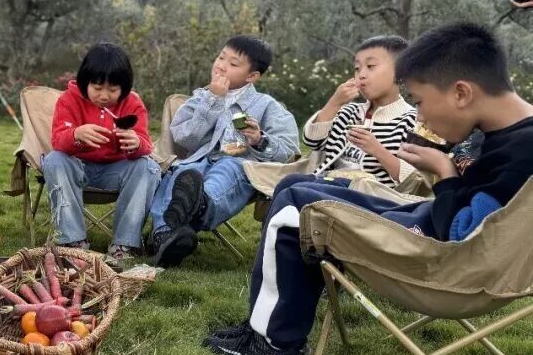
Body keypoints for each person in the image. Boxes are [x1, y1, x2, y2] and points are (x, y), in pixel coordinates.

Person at [205, 23, 533, 355]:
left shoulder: (520, 152)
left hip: (443, 260)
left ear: (462, 93)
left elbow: (463, 237)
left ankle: (273, 344)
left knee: (294, 208)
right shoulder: (506, 132)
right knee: (295, 184)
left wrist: (445, 173)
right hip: (428, 221)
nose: (420, 116)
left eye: (420, 102)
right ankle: (262, 324)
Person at [149, 35, 299, 267]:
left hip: (237, 164)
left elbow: (289, 149)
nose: (221, 65)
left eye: (233, 63)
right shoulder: (201, 98)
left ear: (252, 76)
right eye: (221, 57)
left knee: (229, 169)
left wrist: (259, 139)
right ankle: (166, 237)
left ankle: (197, 207)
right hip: (198, 160)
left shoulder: (268, 106)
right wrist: (212, 101)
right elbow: (184, 137)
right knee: (179, 173)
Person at [43, 43, 160, 262]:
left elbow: (146, 144)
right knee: (53, 160)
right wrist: (76, 134)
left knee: (149, 167)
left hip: (116, 172)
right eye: (97, 88)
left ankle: (125, 245)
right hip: (78, 168)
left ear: (124, 87)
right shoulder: (68, 100)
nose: (104, 96)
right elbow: (58, 141)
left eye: (113, 90)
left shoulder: (133, 104)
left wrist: (136, 143)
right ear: (85, 81)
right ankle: (72, 242)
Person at [300, 35, 417, 187]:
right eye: (357, 68)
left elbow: (413, 180)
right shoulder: (348, 112)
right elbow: (312, 142)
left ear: (400, 72)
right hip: (327, 182)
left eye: (370, 66)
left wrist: (377, 150)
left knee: (298, 188)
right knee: (290, 182)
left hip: (370, 194)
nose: (361, 74)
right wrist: (334, 103)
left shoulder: (410, 120)